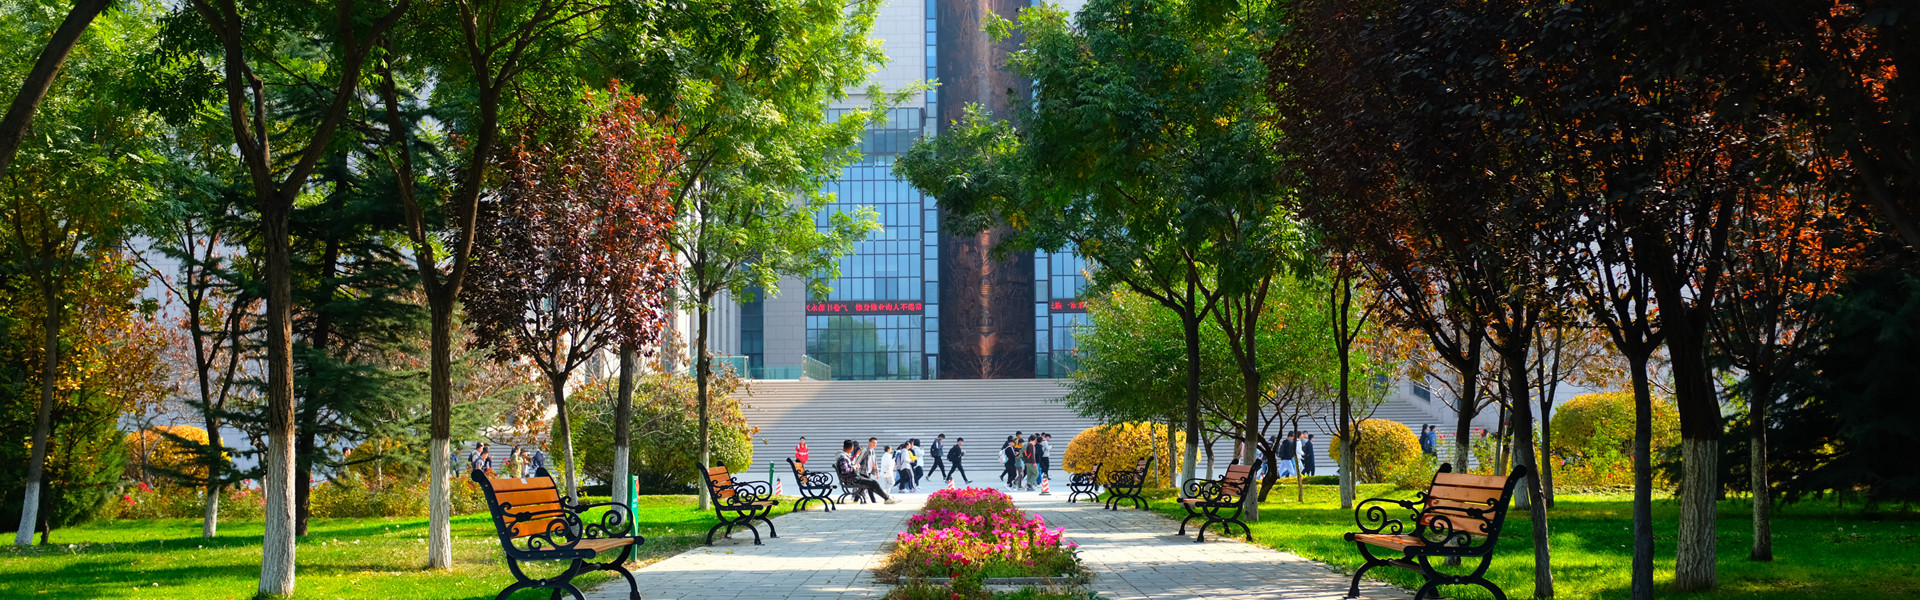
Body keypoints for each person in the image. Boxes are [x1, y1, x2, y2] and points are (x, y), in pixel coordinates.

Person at [836, 440, 898, 504]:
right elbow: (845, 470)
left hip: (851, 479)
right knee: (874, 483)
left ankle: (886, 498)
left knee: (870, 484)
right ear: (852, 448)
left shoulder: (844, 456)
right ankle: (886, 498)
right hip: (852, 480)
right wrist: (855, 467)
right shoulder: (844, 457)